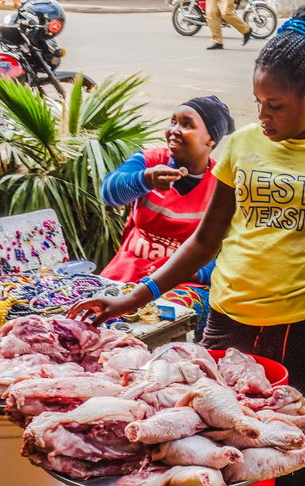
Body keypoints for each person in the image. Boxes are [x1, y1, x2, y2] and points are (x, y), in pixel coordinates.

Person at [69, 6, 305, 486]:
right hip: (229, 326)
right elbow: (205, 240)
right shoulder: (241, 146)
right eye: (258, 102)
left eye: (275, 105)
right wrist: (135, 295)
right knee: (217, 466)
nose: (262, 116)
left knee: (303, 467)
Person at [99, 96, 235, 337]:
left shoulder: (221, 183)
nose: (174, 130)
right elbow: (109, 193)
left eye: (187, 124)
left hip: (182, 282)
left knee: (155, 326)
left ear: (210, 139)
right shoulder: (149, 161)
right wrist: (146, 179)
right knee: (96, 320)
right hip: (127, 271)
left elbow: (229, 251)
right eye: (173, 122)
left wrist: (192, 272)